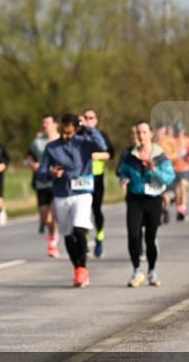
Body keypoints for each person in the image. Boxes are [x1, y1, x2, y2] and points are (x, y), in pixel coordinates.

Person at [38, 113, 109, 287]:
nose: (65, 136)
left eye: (69, 133)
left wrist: (87, 128)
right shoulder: (52, 147)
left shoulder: (84, 143)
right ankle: (77, 268)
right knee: (68, 234)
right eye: (63, 132)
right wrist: (51, 173)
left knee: (79, 229)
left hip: (83, 192)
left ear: (76, 129)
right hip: (62, 194)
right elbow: (41, 171)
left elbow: (103, 146)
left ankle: (83, 268)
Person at [117, 121, 175, 287]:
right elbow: (123, 172)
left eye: (144, 132)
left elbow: (169, 177)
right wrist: (124, 179)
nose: (141, 136)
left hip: (153, 199)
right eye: (139, 132)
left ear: (150, 134)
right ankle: (136, 271)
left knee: (151, 238)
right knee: (133, 236)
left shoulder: (160, 155)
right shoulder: (130, 156)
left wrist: (154, 169)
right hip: (135, 199)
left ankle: (152, 270)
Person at [80, 109, 115, 258]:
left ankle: (99, 238)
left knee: (96, 210)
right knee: (83, 211)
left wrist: (99, 155)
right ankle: (84, 241)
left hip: (96, 178)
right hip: (81, 179)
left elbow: (111, 153)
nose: (88, 120)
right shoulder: (78, 135)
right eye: (85, 117)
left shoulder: (102, 136)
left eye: (91, 117)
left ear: (96, 120)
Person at [26, 115, 60, 257]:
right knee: (45, 217)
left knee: (54, 213)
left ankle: (53, 242)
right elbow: (28, 159)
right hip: (42, 183)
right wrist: (35, 166)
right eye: (43, 122)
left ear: (55, 124)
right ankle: (51, 235)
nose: (45, 125)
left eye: (47, 122)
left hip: (58, 183)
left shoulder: (62, 140)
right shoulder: (37, 143)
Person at [171, 123, 189, 221]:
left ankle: (182, 210)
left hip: (185, 168)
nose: (180, 133)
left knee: (183, 188)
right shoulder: (173, 141)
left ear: (184, 130)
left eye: (181, 130)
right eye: (178, 130)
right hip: (175, 168)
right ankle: (179, 209)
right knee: (178, 192)